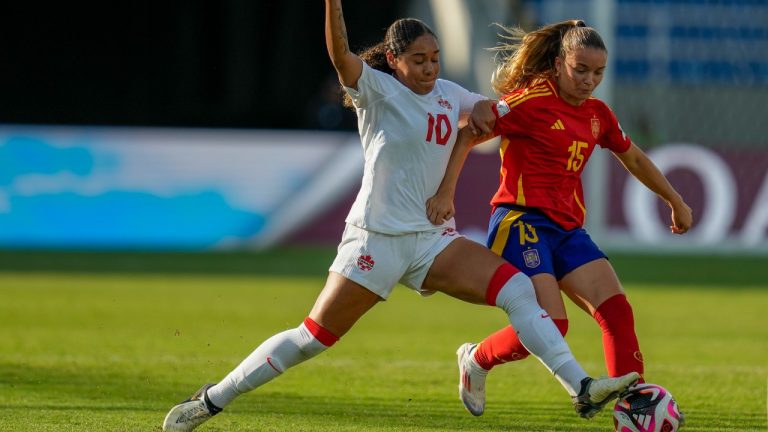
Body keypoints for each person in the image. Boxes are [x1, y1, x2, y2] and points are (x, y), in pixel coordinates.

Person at [161, 7, 640, 431]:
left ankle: (580, 387)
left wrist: (500, 109)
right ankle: (212, 399)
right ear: (395, 61)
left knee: (518, 289)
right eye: (419, 60)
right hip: (377, 242)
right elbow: (341, 53)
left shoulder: (449, 93)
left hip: (431, 242)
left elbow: (486, 116)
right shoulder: (377, 91)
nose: (430, 68)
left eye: (434, 58)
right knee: (313, 338)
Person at [425, 20, 693, 417]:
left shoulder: (598, 114)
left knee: (617, 312)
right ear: (557, 64)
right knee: (554, 323)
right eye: (580, 70)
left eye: (598, 73)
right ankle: (476, 358)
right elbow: (469, 132)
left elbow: (632, 156)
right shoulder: (528, 101)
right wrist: (446, 192)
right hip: (520, 222)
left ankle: (634, 409)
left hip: (567, 229)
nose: (589, 81)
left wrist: (674, 199)